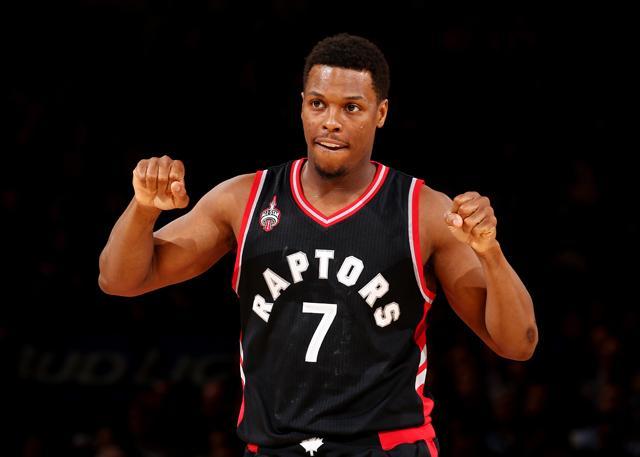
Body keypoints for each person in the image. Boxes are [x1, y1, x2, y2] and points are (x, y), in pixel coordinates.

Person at [99, 33, 538, 457]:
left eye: (352, 107)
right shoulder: (244, 199)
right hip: (272, 448)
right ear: (302, 108)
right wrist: (143, 209)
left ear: (381, 113)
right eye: (318, 104)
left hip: (385, 448)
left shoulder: (423, 212)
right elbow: (119, 279)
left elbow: (518, 343)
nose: (331, 121)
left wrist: (489, 252)